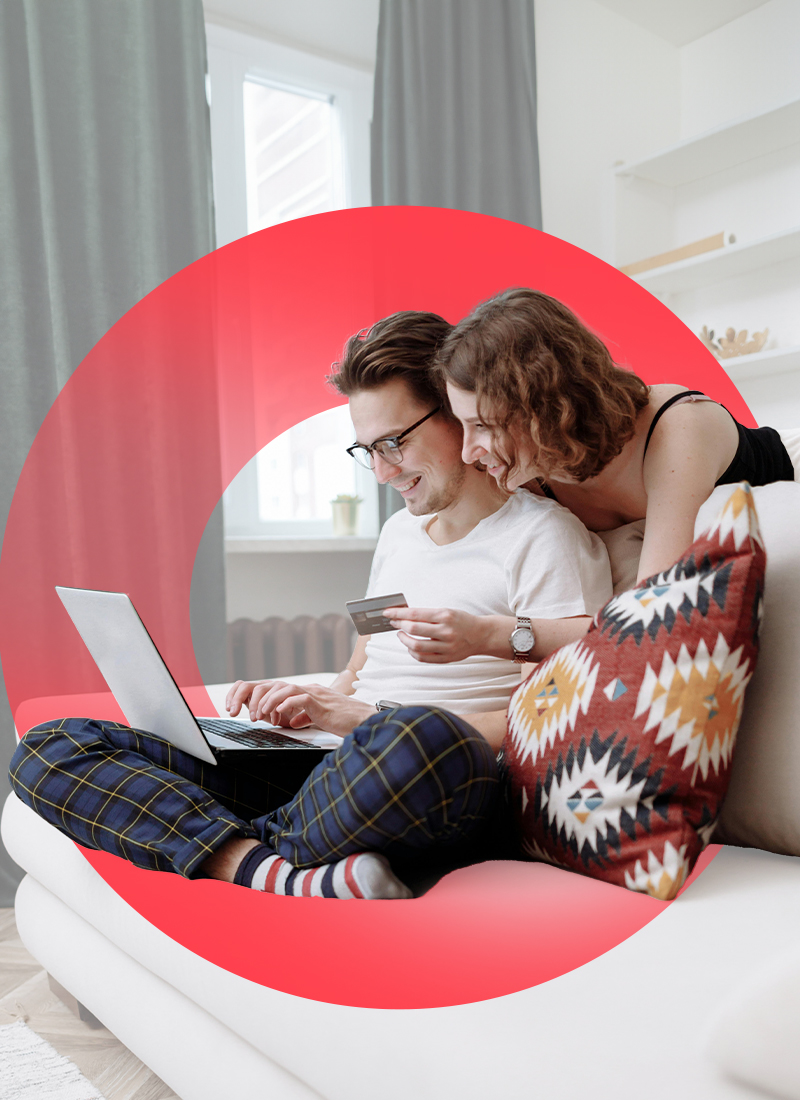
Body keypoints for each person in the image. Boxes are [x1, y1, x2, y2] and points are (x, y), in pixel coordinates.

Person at [9, 310, 611, 901]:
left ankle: (218, 838)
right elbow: (361, 666)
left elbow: (544, 723)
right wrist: (307, 707)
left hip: (436, 773)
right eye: (367, 451)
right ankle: (265, 867)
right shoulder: (400, 533)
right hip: (337, 766)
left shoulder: (542, 537)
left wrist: (360, 720)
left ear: (458, 412)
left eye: (394, 443)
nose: (381, 472)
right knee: (51, 745)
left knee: (419, 734)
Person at [381, 287, 794, 665]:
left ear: (544, 405)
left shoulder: (677, 428)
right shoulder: (527, 467)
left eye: (484, 425)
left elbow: (651, 615)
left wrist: (491, 633)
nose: (469, 450)